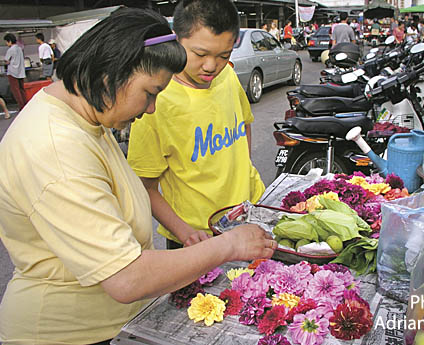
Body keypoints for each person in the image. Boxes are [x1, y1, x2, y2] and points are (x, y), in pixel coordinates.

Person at [0, 8, 276, 344]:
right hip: (69, 334)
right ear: (111, 74)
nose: (150, 110)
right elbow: (126, 278)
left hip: (115, 324)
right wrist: (228, 244)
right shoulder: (56, 149)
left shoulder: (88, 118)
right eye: (150, 93)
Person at [127, 0, 267, 250]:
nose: (211, 66)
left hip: (247, 215)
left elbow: (244, 125)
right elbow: (144, 186)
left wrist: (243, 172)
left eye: (224, 55)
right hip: (195, 238)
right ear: (177, 40)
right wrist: (186, 233)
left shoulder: (228, 76)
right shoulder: (156, 102)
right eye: (200, 54)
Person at [2, 33, 27, 111]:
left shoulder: (11, 50)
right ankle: (25, 104)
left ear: (9, 41)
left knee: (16, 90)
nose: (6, 44)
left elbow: (6, 60)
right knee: (21, 89)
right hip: (21, 72)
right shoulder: (19, 48)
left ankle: (21, 106)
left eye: (6, 42)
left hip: (13, 72)